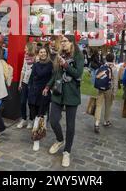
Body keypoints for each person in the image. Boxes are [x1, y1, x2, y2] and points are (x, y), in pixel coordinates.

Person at [44, 35, 84, 168]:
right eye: (62, 42)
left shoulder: (78, 55)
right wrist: (48, 86)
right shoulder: (60, 55)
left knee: (70, 125)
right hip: (58, 92)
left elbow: (78, 73)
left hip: (72, 94)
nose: (63, 44)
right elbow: (55, 74)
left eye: (65, 41)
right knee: (54, 120)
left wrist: (65, 65)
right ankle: (60, 139)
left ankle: (67, 151)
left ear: (72, 42)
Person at [27, 46, 53, 151]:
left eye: (44, 52)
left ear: (47, 54)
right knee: (33, 115)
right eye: (41, 52)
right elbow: (31, 77)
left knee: (39, 115)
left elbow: (42, 74)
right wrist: (30, 88)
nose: (42, 54)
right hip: (33, 92)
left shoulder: (50, 64)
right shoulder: (36, 64)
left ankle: (36, 140)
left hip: (44, 93)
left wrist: (37, 76)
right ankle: (39, 126)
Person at [93, 53, 118, 133]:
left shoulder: (102, 67)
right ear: (113, 59)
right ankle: (106, 121)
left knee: (99, 106)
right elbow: (115, 81)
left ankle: (96, 123)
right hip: (109, 89)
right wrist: (114, 93)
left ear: (106, 59)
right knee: (108, 106)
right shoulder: (114, 68)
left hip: (100, 89)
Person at [17, 43, 36, 129]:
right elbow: (23, 70)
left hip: (32, 84)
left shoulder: (36, 58)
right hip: (24, 82)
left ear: (30, 48)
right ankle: (24, 119)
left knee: (31, 103)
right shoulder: (26, 57)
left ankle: (31, 120)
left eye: (26, 48)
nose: (24, 49)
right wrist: (20, 82)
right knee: (22, 102)